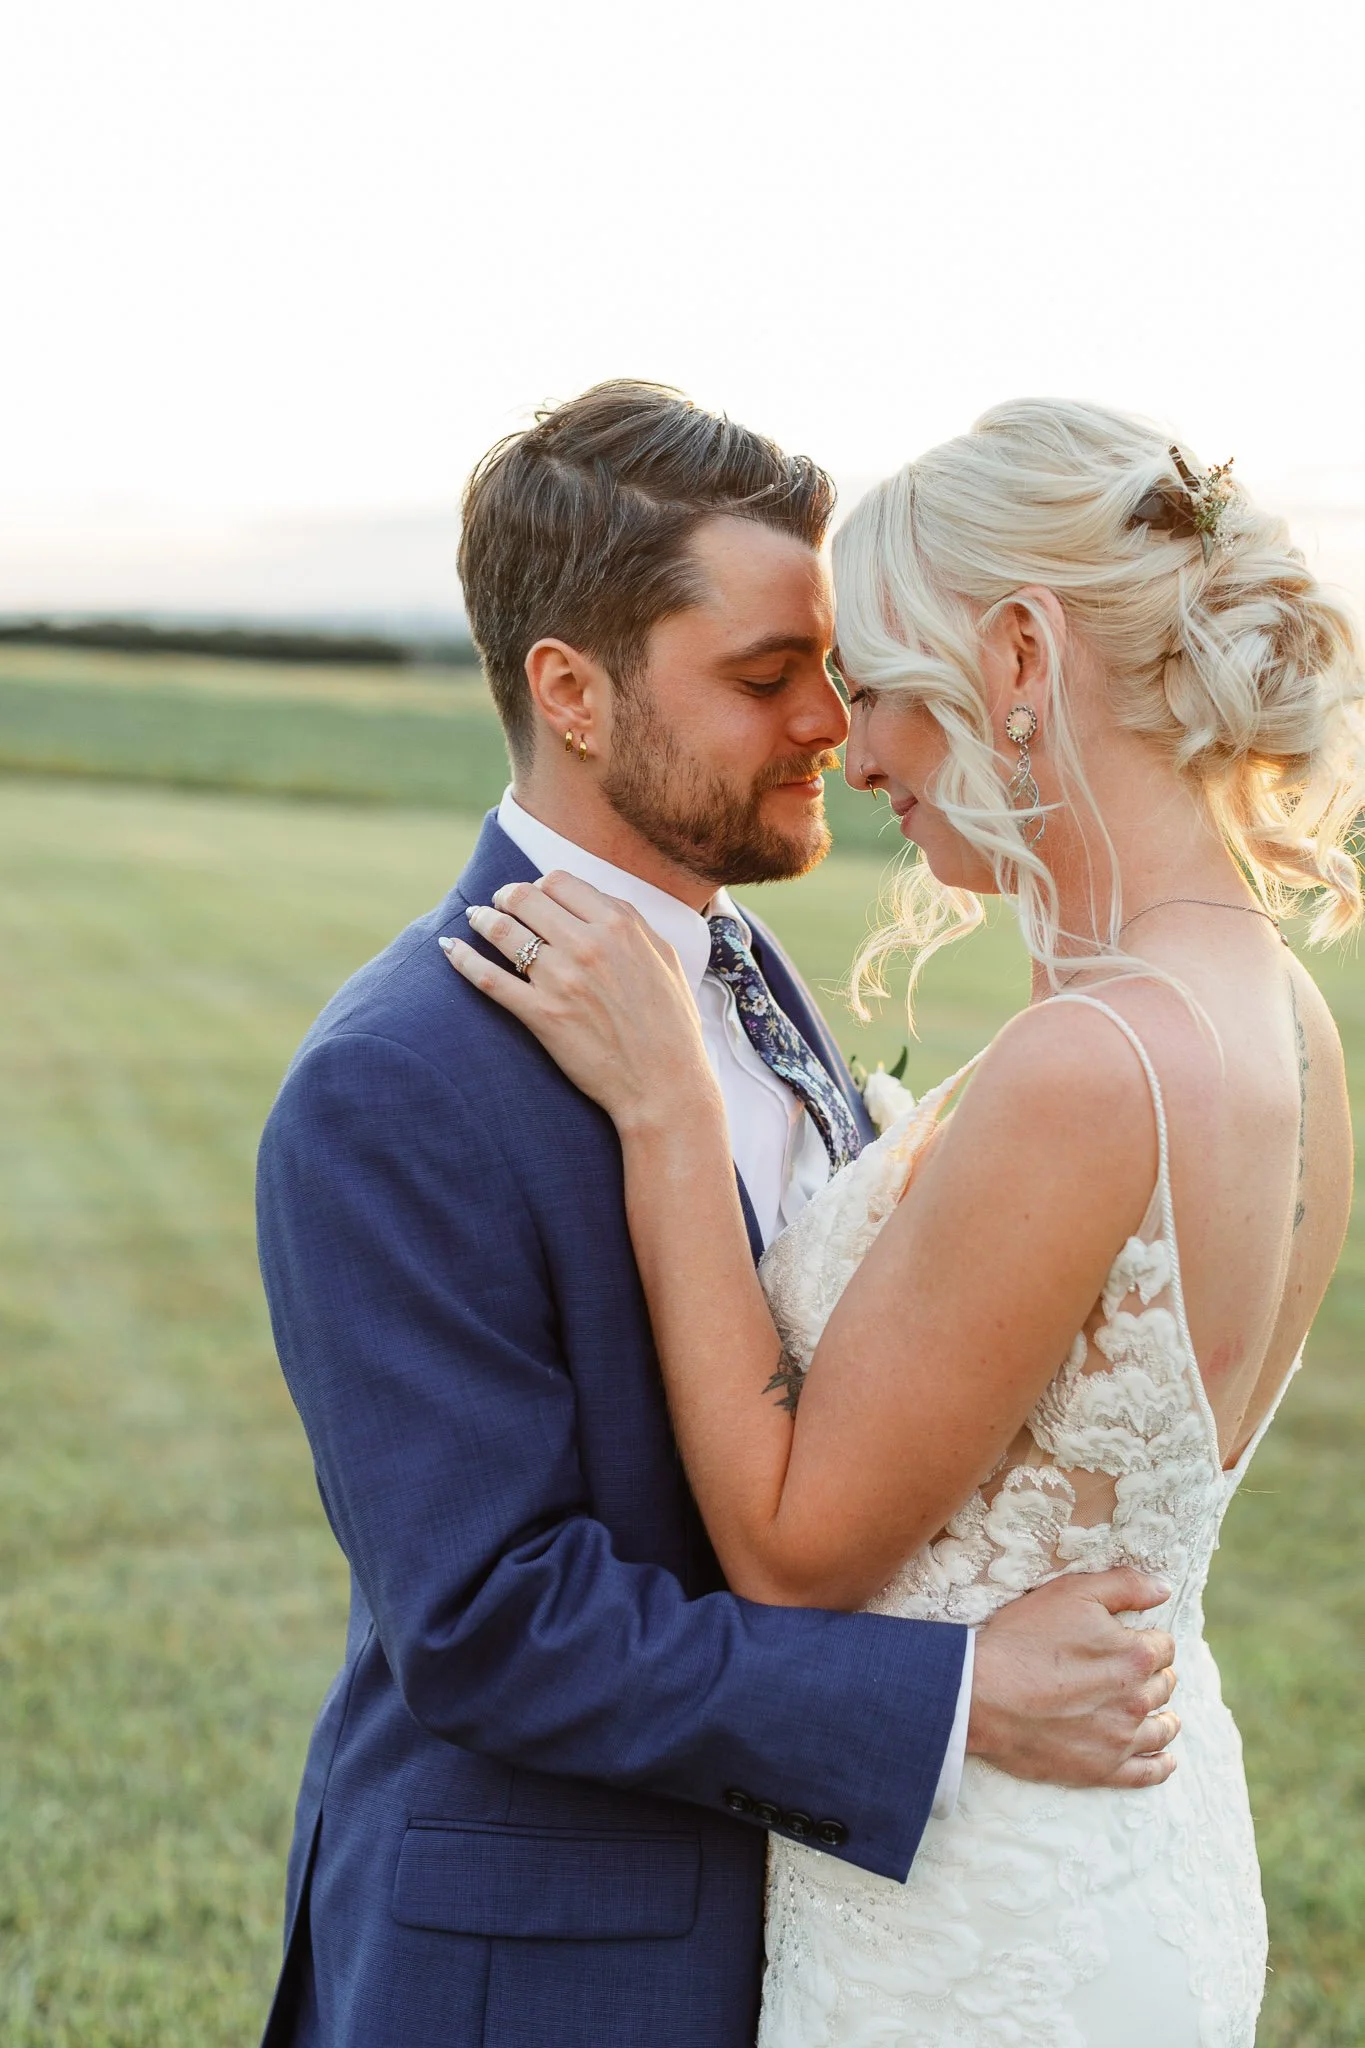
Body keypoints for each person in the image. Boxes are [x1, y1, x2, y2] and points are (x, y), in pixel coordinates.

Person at [256, 383, 1181, 2048]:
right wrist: (961, 1698)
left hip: (814, 1940)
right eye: (765, 679)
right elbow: (488, 1623)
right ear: (574, 695)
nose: (835, 720)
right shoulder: (391, 1082)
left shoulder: (743, 973)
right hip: (539, 1967)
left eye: (826, 664)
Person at [445, 396, 1363, 2045]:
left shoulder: (1092, 1064)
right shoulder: (1286, 1012)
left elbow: (797, 1556)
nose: (851, 751)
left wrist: (665, 1114)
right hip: (1136, 1848)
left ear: (1018, 655)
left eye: (877, 686)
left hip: (979, 1915)